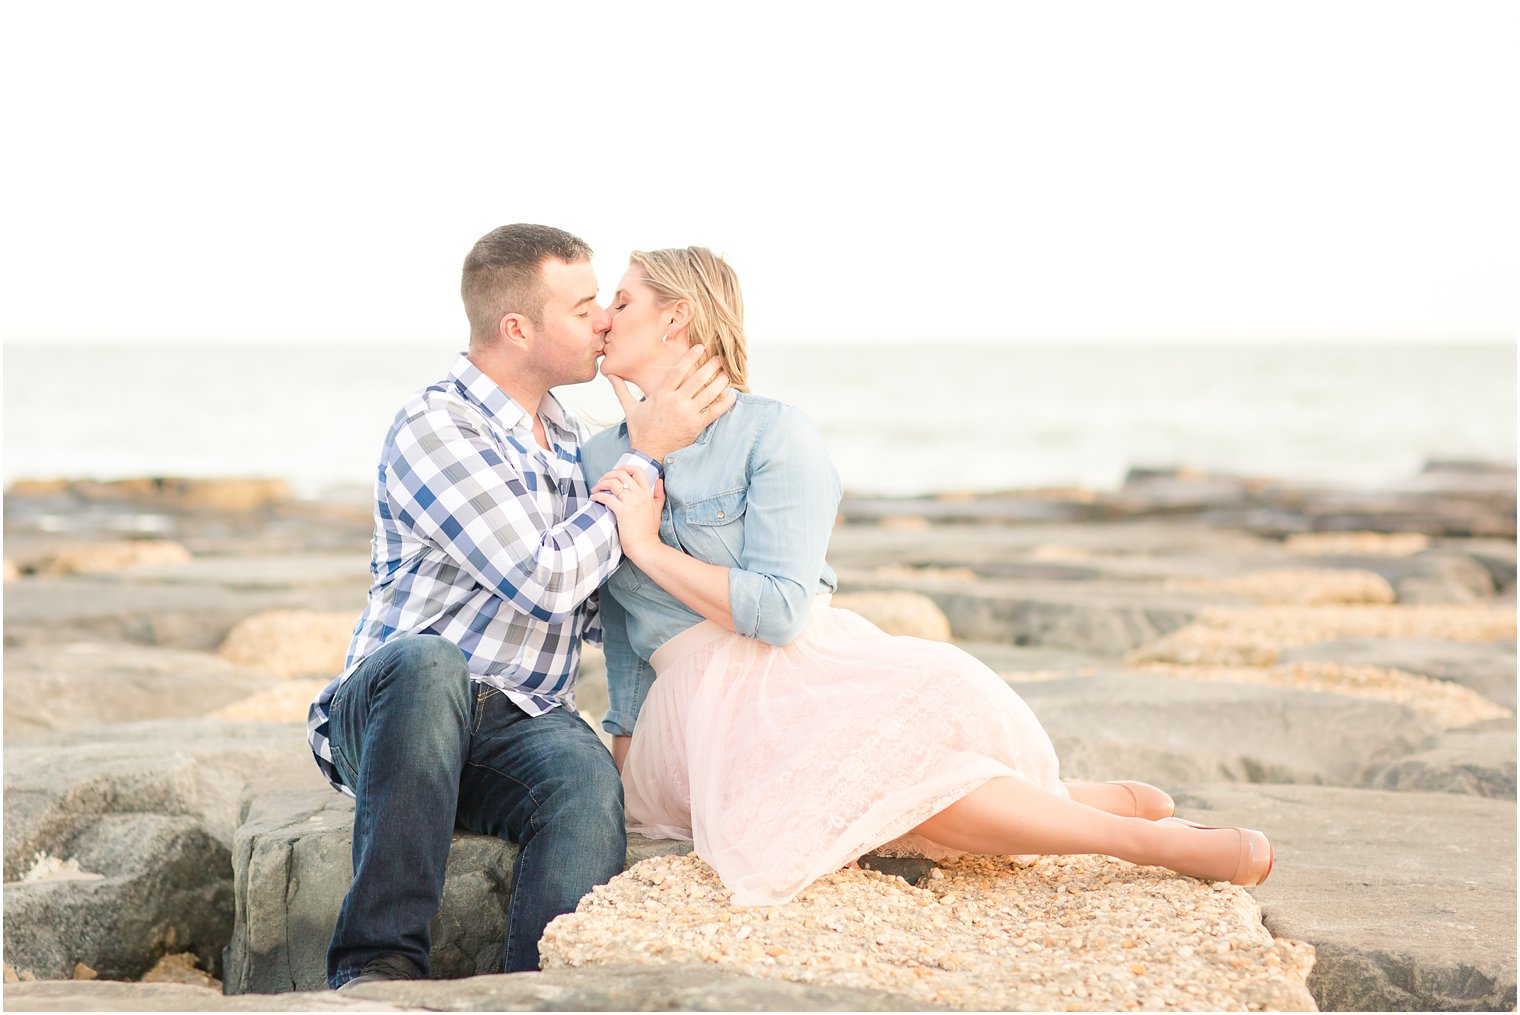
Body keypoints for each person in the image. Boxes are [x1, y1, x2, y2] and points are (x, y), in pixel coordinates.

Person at [580, 246, 1272, 907]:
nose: (604, 317)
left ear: (677, 318)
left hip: (798, 658)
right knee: (866, 763)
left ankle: (1060, 798)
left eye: (620, 299)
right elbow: (624, 619)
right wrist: (628, 747)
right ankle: (1138, 840)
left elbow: (785, 612)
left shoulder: (774, 432)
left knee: (936, 695)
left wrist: (649, 545)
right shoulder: (600, 457)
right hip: (698, 702)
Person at [305, 224, 735, 989]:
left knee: (585, 777)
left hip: (517, 718)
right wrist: (650, 453)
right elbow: (544, 580)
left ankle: (532, 989)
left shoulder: (573, 441)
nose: (603, 318)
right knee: (430, 663)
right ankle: (377, 967)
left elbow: (608, 604)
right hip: (393, 713)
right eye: (582, 307)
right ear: (517, 329)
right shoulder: (437, 426)